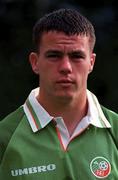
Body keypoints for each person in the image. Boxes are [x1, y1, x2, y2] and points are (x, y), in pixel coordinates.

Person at [0, 8, 118, 180]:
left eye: (76, 56)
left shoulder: (115, 131)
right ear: (35, 62)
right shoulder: (4, 137)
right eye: (54, 55)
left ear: (91, 62)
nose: (66, 67)